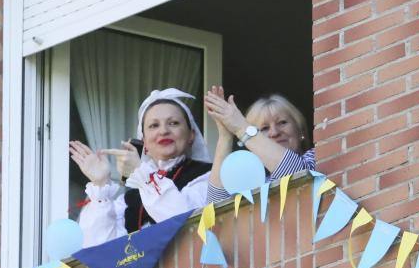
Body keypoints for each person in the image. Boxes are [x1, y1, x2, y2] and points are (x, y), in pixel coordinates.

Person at [70, 88, 212, 248]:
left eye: (173, 123)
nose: (164, 131)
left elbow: (185, 223)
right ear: (143, 142)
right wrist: (101, 184)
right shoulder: (130, 199)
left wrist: (141, 173)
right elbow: (96, 248)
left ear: (191, 135)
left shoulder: (208, 177)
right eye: (154, 125)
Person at [204, 86, 315, 203]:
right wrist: (225, 135)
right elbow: (214, 208)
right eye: (264, 128)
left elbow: (298, 177)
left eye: (282, 122)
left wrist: (240, 127)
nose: (274, 133)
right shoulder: (253, 183)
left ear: (300, 129)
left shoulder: (318, 156)